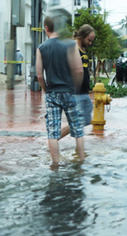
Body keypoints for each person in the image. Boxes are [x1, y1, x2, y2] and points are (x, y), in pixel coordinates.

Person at [37, 16, 85, 167]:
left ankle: (55, 164)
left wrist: (46, 90)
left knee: (53, 131)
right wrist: (75, 89)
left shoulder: (41, 48)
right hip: (69, 91)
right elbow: (79, 70)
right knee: (77, 128)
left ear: (47, 28)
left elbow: (39, 75)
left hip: (52, 93)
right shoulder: (71, 45)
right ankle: (81, 162)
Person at [60, 24, 96, 139]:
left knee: (86, 120)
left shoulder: (82, 49)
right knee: (77, 121)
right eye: (89, 40)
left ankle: (55, 140)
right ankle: (53, 140)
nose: (90, 43)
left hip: (83, 92)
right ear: (82, 36)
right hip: (75, 92)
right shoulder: (72, 48)